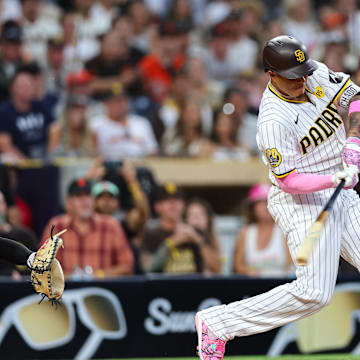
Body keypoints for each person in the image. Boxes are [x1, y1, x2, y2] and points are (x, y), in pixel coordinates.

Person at [195, 34, 360, 359]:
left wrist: (353, 139)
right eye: (292, 76)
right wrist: (334, 176)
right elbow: (289, 181)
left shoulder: (314, 74)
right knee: (314, 292)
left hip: (343, 189)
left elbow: (355, 100)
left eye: (302, 71)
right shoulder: (272, 120)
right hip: (304, 201)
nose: (301, 80)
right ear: (271, 74)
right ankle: (218, 323)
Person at [41, 177, 134, 278]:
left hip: (102, 290)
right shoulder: (57, 226)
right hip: (65, 290)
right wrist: (71, 277)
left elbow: (127, 266)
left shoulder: (111, 225)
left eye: (88, 196)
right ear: (69, 201)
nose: (84, 201)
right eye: (79, 196)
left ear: (94, 200)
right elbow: (42, 266)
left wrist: (98, 275)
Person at [140, 182, 209, 274]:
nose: (173, 203)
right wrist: (171, 243)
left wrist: (197, 240)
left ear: (184, 205)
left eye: (177, 199)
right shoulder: (151, 233)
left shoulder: (195, 230)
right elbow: (147, 267)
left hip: (193, 286)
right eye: (167, 200)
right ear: (157, 207)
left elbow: (217, 267)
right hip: (164, 286)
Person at [233, 184, 292, 277]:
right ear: (252, 208)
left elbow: (293, 264)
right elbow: (238, 266)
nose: (266, 205)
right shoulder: (245, 233)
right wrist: (248, 272)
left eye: (269, 201)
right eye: (260, 202)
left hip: (281, 286)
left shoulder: (285, 230)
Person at [0, 65, 55, 160]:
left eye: (30, 85)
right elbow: (3, 141)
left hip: (44, 159)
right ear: (12, 88)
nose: (28, 88)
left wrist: (50, 156)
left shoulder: (40, 106)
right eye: (23, 85)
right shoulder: (4, 111)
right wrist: (27, 164)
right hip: (18, 164)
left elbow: (54, 129)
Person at [183, 197, 221, 274]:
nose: (196, 219)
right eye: (192, 215)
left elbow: (217, 268)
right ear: (185, 219)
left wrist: (198, 239)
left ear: (208, 219)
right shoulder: (179, 239)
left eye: (201, 214)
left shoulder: (211, 238)